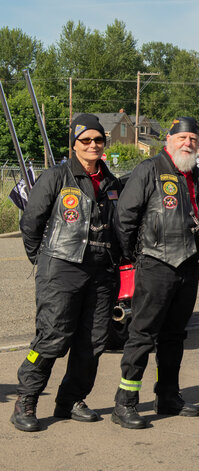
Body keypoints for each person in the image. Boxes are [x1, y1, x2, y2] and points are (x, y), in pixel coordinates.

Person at [11, 114, 122, 432]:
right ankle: (26, 398)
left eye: (98, 140)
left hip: (101, 273)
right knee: (52, 337)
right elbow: (31, 222)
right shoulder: (56, 177)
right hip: (61, 268)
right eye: (85, 140)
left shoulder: (111, 182)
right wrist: (44, 260)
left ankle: (70, 399)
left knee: (94, 340)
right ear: (74, 144)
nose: (92, 145)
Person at [111, 117, 199, 429]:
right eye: (182, 137)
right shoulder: (150, 169)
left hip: (188, 266)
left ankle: (168, 396)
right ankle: (125, 403)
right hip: (155, 264)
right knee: (142, 334)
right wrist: (136, 256)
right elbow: (124, 217)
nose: (188, 143)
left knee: (175, 336)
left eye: (193, 139)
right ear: (168, 140)